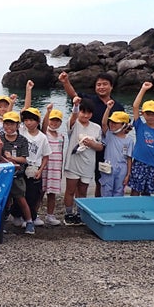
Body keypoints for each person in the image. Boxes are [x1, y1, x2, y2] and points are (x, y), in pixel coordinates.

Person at [58, 71, 124, 197]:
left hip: (107, 148)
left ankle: (98, 203)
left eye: (105, 84)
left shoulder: (118, 107)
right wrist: (65, 82)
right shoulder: (89, 101)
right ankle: (78, 207)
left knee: (101, 179)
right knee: (80, 180)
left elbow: (122, 127)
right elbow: (74, 96)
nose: (101, 87)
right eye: (98, 84)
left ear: (111, 87)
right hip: (86, 148)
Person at [63, 96, 103, 225]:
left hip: (88, 164)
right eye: (83, 111)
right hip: (73, 162)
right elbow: (73, 116)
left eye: (88, 112)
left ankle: (80, 213)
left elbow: (100, 146)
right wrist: (75, 105)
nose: (85, 115)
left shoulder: (96, 128)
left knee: (82, 191)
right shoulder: (74, 124)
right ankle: (68, 214)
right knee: (70, 190)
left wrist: (92, 144)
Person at [0, 111, 35, 234]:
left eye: (12, 124)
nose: (9, 127)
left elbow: (24, 159)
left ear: (17, 125)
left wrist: (12, 158)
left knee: (21, 199)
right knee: (3, 200)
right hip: (2, 175)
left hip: (17, 175)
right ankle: (1, 223)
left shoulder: (22, 140)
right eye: (6, 124)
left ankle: (29, 222)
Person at [18, 107, 52, 227]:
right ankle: (22, 217)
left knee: (33, 195)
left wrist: (41, 170)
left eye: (31, 120)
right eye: (26, 120)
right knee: (21, 193)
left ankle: (32, 217)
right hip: (22, 166)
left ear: (38, 121)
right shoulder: (22, 132)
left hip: (35, 168)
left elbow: (46, 156)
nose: (28, 122)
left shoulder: (42, 137)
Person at [99, 105, 134, 197]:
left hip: (122, 167)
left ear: (124, 125)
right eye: (111, 122)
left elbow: (129, 158)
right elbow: (103, 124)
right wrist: (108, 108)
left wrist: (128, 174)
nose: (112, 124)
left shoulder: (129, 140)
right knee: (107, 189)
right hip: (108, 165)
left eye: (115, 122)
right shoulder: (109, 135)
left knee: (119, 191)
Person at [41, 104, 65, 226]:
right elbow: (44, 126)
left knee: (52, 193)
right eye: (52, 120)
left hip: (56, 168)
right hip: (45, 167)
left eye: (57, 120)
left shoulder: (62, 136)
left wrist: (61, 170)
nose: (54, 123)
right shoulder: (44, 134)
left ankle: (50, 215)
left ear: (60, 122)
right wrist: (48, 112)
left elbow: (61, 152)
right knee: (40, 192)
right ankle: (35, 215)